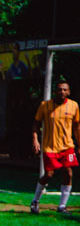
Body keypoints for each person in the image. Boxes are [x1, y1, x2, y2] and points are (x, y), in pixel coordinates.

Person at [30, 81, 80, 214]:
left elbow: (76, 127)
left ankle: (62, 206)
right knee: (49, 174)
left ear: (68, 92)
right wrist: (35, 139)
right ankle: (35, 201)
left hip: (67, 147)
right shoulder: (45, 105)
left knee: (68, 173)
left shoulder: (74, 106)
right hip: (49, 147)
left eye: (64, 90)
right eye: (59, 90)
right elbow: (35, 123)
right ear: (54, 92)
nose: (62, 92)